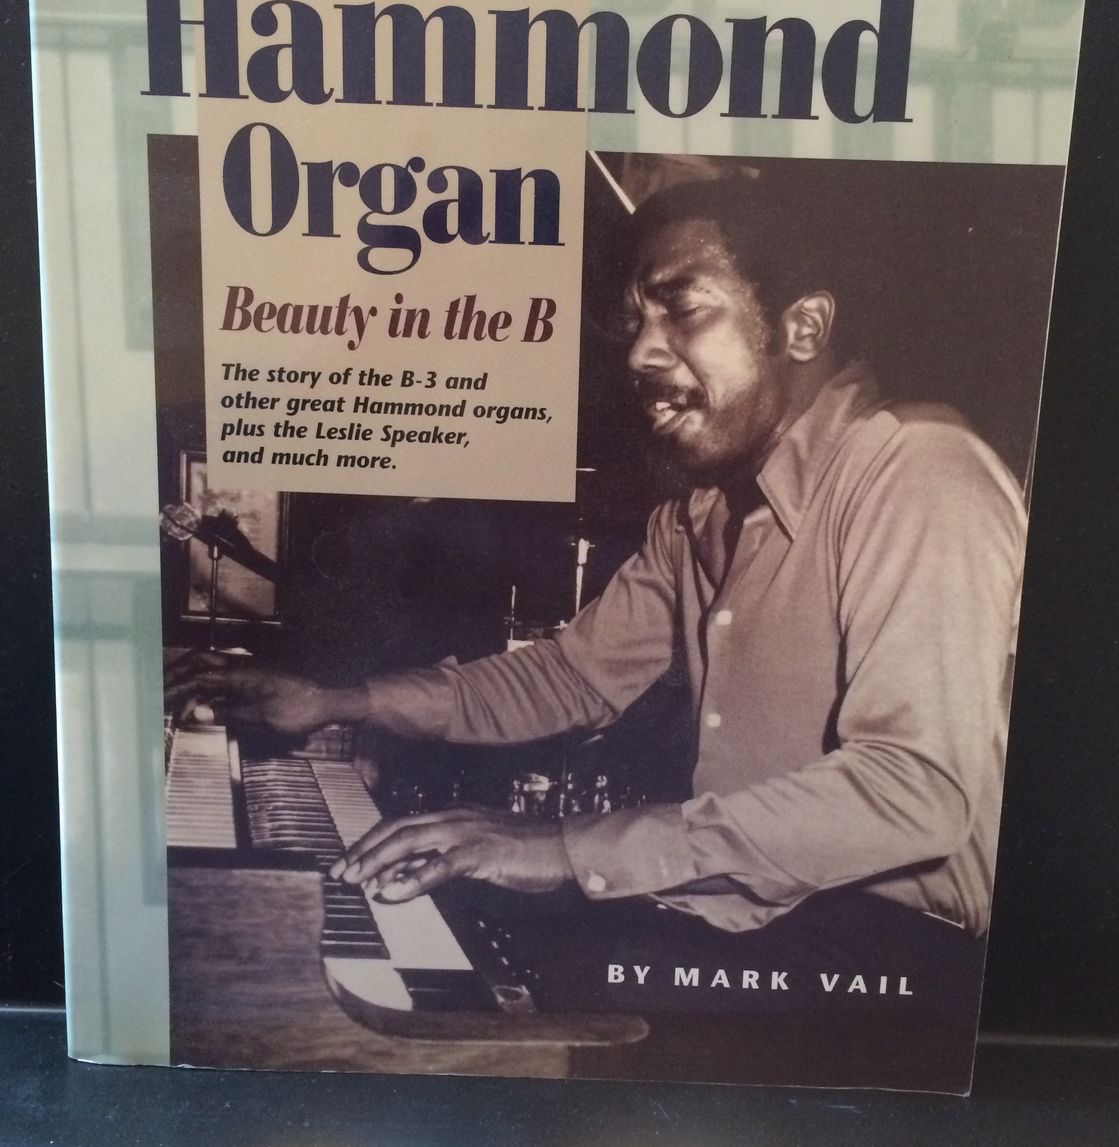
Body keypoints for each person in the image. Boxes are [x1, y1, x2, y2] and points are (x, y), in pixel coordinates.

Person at [171, 176, 1025, 951]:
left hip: (900, 960)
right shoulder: (699, 514)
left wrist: (564, 847)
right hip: (749, 934)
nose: (640, 354)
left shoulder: (918, 470)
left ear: (802, 327)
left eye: (681, 309)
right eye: (635, 324)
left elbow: (911, 790)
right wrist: (338, 701)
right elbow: (570, 679)